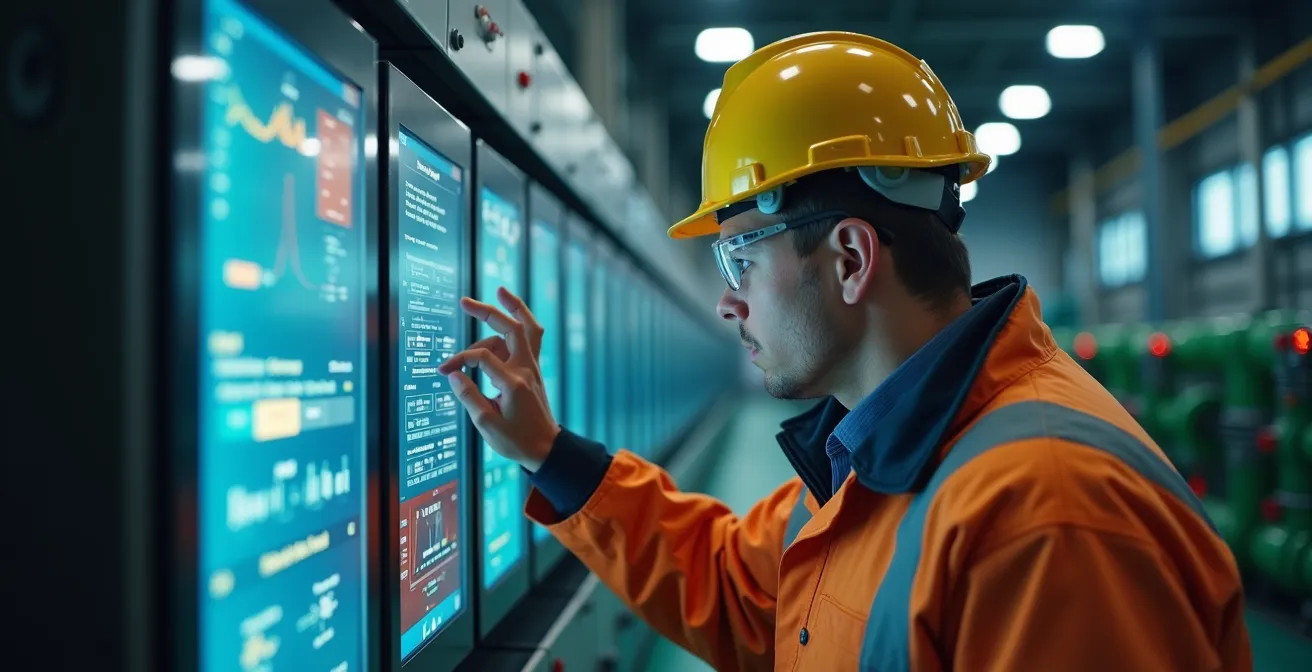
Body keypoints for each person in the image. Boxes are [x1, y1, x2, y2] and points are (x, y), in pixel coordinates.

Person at [437, 31, 1252, 672]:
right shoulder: (879, 452)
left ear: (852, 259)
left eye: (741, 259)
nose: (728, 299)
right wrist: (546, 452)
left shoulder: (1046, 516)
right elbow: (749, 592)